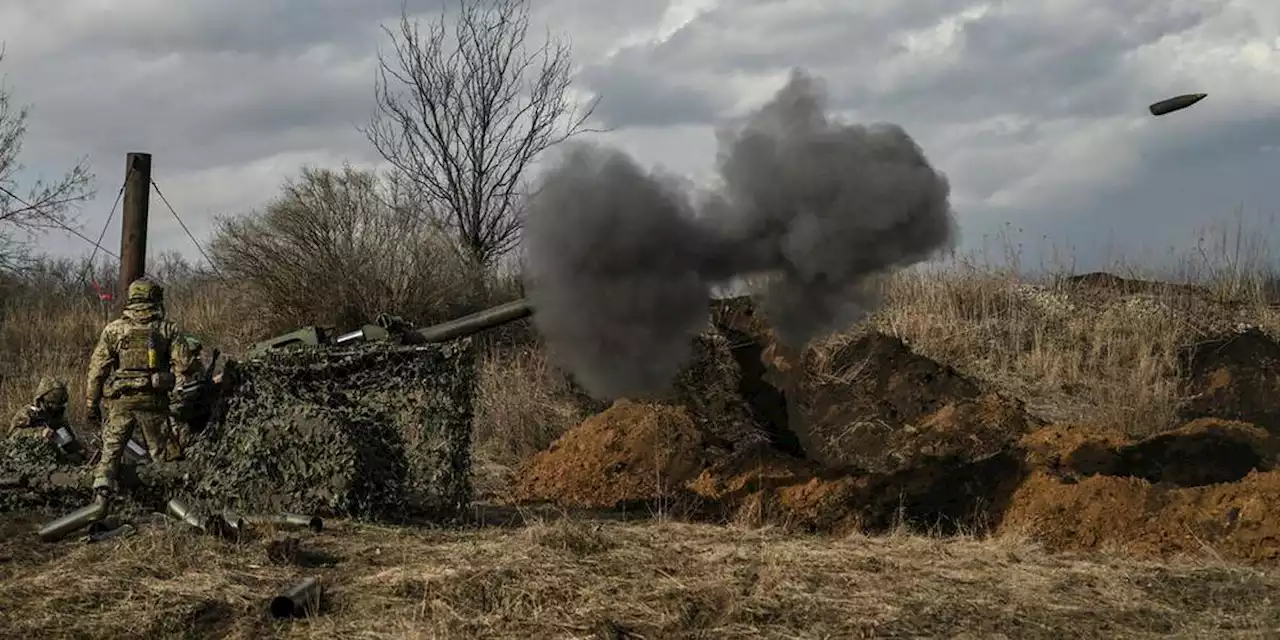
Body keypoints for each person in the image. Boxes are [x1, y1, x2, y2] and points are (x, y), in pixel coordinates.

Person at [85, 277, 200, 502]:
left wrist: (91, 403)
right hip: (154, 402)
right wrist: (177, 394)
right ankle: (169, 502)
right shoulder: (168, 328)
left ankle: (100, 500)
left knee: (109, 456)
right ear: (155, 298)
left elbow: (97, 370)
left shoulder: (113, 330)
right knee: (162, 456)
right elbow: (183, 367)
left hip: (121, 402)